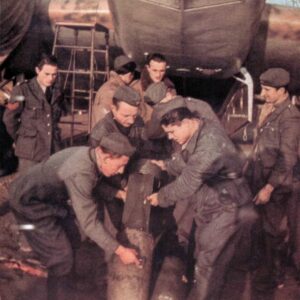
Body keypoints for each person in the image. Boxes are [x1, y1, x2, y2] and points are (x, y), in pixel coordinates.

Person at [8, 132, 141, 300]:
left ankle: (66, 283)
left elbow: (92, 184)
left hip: (49, 200)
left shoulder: (92, 156)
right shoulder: (81, 171)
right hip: (29, 203)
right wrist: (121, 251)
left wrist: (118, 193)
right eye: (119, 165)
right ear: (105, 156)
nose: (120, 171)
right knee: (60, 256)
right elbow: (90, 223)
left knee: (74, 237)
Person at [146, 98, 256, 299]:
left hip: (227, 207)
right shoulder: (200, 130)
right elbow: (187, 158)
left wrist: (160, 197)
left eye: (172, 131)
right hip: (213, 203)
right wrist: (166, 166)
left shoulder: (209, 144)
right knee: (202, 254)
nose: (170, 137)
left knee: (209, 265)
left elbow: (187, 183)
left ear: (187, 121)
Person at [246, 68, 300, 288]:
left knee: (274, 231)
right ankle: (260, 264)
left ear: (281, 90)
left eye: (268, 90)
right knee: (260, 225)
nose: (263, 93)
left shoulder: (290, 117)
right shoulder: (271, 108)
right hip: (261, 177)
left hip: (278, 184)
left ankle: (274, 276)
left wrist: (269, 187)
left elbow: (287, 158)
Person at [3, 54, 65, 173]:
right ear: (37, 70)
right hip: (30, 152)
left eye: (54, 74)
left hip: (52, 150)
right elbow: (9, 119)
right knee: (28, 187)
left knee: (48, 187)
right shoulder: (21, 90)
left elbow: (55, 119)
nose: (51, 78)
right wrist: (21, 140)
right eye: (47, 74)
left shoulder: (57, 91)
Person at [144, 82, 221, 139]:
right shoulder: (160, 112)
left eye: (161, 105)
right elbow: (152, 133)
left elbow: (216, 134)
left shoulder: (200, 106)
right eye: (156, 107)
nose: (160, 109)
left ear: (169, 95)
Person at [91, 55, 136, 128]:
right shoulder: (112, 91)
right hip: (105, 136)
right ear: (129, 74)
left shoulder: (112, 87)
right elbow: (108, 120)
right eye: (132, 74)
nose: (132, 77)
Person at [131, 53, 176, 122]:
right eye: (154, 70)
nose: (158, 75)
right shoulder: (136, 88)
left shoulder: (169, 88)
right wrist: (160, 106)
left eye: (162, 71)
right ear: (148, 68)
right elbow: (134, 117)